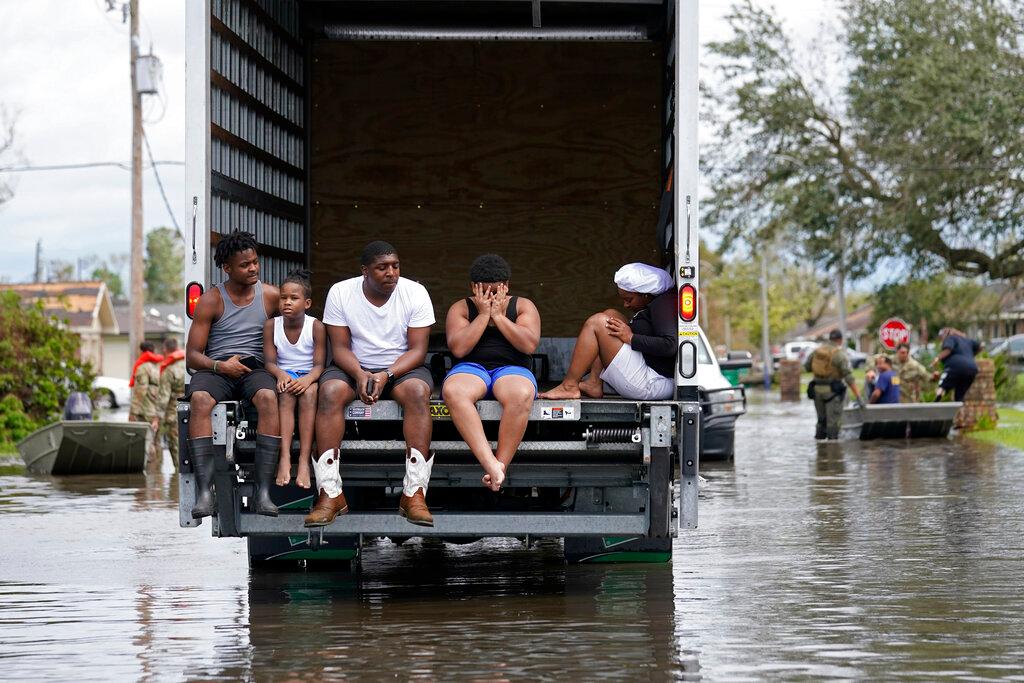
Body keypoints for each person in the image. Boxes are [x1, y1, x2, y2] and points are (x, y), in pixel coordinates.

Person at [308, 241, 436, 528]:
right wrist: (360, 374)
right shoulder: (341, 292)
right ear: (365, 271)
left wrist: (386, 374)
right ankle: (330, 494)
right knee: (328, 392)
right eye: (382, 268)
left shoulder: (415, 292)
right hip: (352, 366)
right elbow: (339, 348)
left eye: (395, 266)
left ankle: (414, 494)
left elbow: (418, 350)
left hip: (402, 369)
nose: (391, 273)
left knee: (417, 392)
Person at [185, 230, 281, 518]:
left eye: (255, 262)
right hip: (218, 369)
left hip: (254, 369)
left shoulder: (273, 296)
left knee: (267, 397)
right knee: (200, 399)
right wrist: (220, 366)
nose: (252, 268)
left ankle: (263, 493)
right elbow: (192, 357)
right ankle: (205, 493)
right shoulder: (211, 300)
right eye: (244, 265)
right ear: (227, 268)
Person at [443, 254, 541, 491]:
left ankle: (501, 465)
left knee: (521, 393)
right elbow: (459, 347)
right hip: (471, 367)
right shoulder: (461, 308)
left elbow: (528, 345)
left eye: (496, 291)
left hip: (512, 368)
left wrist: (498, 316)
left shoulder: (523, 305)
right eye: (484, 291)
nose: (490, 297)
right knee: (453, 391)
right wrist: (484, 314)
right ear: (472, 288)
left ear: (507, 285)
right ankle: (491, 464)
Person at [541, 263, 675, 401]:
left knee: (597, 323)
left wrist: (631, 338)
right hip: (651, 372)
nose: (626, 305)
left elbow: (670, 345)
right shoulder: (656, 303)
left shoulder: (663, 305)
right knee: (611, 315)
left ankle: (569, 387)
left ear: (646, 295)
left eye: (629, 299)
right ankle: (594, 382)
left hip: (653, 382)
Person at [263, 268, 326, 490]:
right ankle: (285, 458)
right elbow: (270, 362)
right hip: (284, 375)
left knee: (309, 395)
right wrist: (281, 374)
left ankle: (303, 461)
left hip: (308, 376)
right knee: (285, 396)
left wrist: (308, 379)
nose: (286, 302)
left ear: (307, 303)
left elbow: (319, 365)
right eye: (283, 298)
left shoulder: (315, 326)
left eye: (293, 298)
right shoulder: (272, 325)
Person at [804, 330, 864, 441]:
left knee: (821, 420)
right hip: (833, 392)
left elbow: (807, 367)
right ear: (840, 340)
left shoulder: (816, 352)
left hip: (817, 390)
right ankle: (833, 450)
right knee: (833, 422)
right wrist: (858, 397)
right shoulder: (839, 354)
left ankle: (820, 449)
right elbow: (849, 377)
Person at [153, 337, 186, 469]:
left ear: (165, 350)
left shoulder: (169, 371)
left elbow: (163, 398)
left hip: (175, 413)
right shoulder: (190, 365)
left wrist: (157, 418)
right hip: (195, 411)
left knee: (176, 446)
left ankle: (179, 480)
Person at [932, 327, 980, 401]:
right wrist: (970, 357)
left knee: (942, 386)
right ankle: (958, 408)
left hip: (955, 366)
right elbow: (979, 346)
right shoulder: (967, 340)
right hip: (972, 369)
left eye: (941, 337)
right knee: (960, 394)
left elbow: (948, 349)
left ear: (945, 334)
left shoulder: (950, 338)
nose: (941, 339)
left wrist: (937, 358)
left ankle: (936, 403)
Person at [129, 341, 163, 424]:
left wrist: (133, 411)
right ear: (154, 351)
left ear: (141, 351)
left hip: (146, 411)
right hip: (158, 412)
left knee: (143, 435)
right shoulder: (160, 365)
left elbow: (141, 390)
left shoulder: (143, 367)